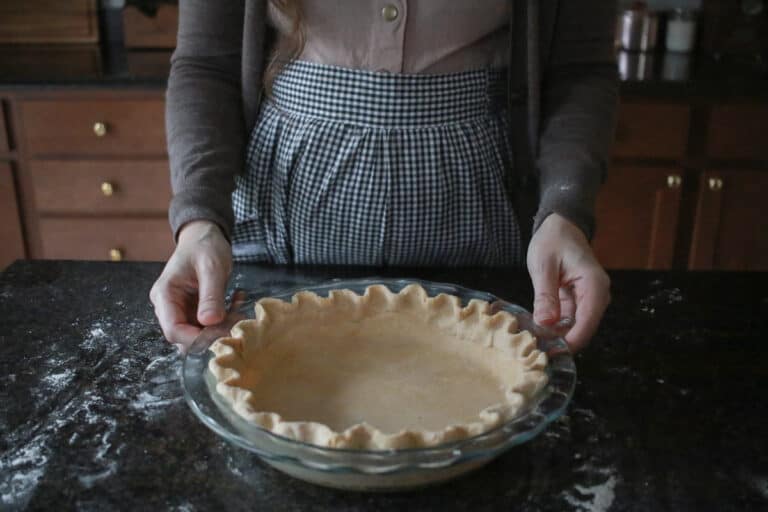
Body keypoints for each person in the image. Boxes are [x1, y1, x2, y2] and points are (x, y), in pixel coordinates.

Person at [150, 0, 617, 353]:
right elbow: (207, 63)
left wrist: (564, 213)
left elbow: (576, 69)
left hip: (481, 210)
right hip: (283, 217)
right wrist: (199, 221)